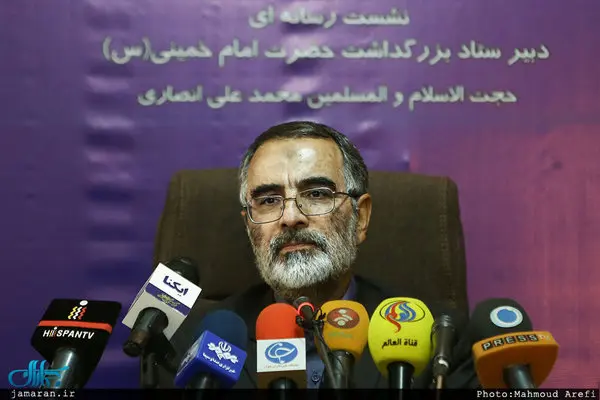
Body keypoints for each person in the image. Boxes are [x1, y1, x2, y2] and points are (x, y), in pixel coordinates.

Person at [166, 121, 479, 389]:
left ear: (361, 218)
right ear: (249, 226)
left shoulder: (441, 338)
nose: (291, 217)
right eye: (269, 200)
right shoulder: (195, 341)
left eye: (316, 194)